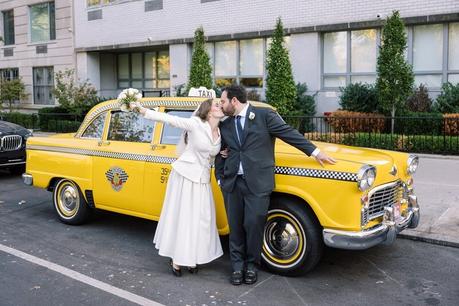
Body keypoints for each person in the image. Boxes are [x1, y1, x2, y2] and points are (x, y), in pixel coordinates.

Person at [215, 85, 336, 285]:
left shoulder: (264, 116)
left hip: (258, 184)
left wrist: (315, 152)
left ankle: (252, 265)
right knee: (235, 227)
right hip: (232, 184)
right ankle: (237, 267)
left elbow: (288, 133)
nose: (222, 104)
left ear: (234, 101)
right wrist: (221, 178)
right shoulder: (225, 124)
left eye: (223, 101)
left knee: (254, 225)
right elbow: (220, 152)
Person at [131, 99, 224, 277]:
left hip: (202, 179)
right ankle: (177, 259)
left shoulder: (220, 131)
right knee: (183, 218)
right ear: (208, 111)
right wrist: (144, 111)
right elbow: (171, 119)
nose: (220, 107)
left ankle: (193, 257)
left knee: (201, 220)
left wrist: (222, 152)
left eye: (221, 105)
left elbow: (211, 154)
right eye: (216, 105)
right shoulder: (196, 123)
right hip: (185, 176)